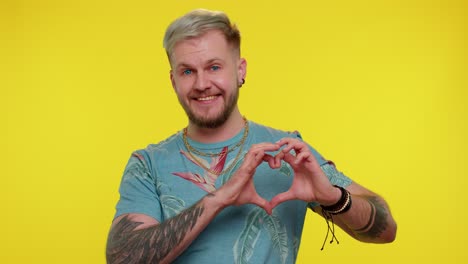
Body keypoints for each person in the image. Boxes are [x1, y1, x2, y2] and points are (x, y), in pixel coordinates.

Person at [106, 8, 397, 264]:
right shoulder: (148, 164)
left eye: (214, 67)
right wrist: (219, 198)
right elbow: (122, 258)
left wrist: (333, 197)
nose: (202, 83)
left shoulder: (287, 153)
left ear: (240, 71)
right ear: (173, 81)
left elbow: (386, 230)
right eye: (187, 72)